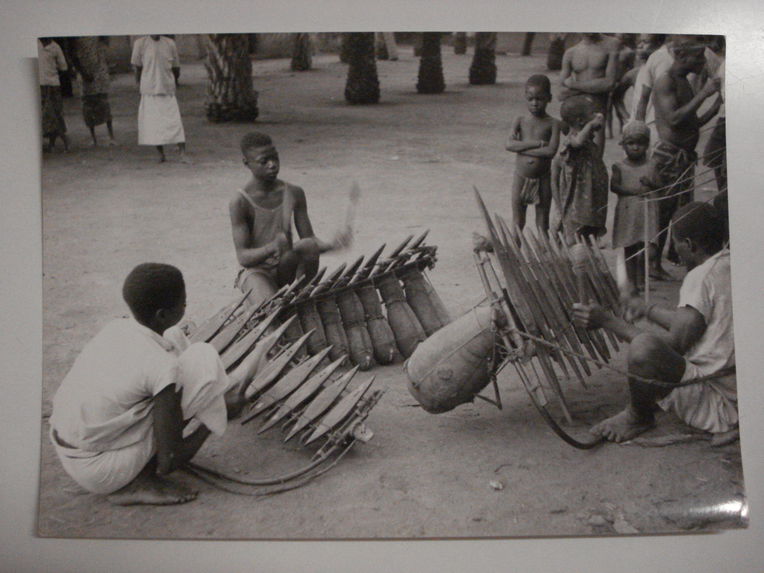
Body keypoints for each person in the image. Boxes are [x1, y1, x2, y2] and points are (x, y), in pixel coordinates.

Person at [49, 263, 253, 505]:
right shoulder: (162, 368)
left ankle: (136, 465)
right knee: (200, 362)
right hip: (99, 470)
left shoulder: (117, 327)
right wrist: (215, 416)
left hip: (67, 445)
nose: (186, 307)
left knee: (176, 338)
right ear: (162, 315)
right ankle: (137, 482)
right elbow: (170, 460)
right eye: (183, 303)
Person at [573, 202, 736, 446]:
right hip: (740, 391)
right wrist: (645, 308)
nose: (675, 251)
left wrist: (607, 321)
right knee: (649, 345)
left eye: (676, 243)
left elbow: (673, 344)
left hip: (720, 400)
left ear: (689, 245)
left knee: (643, 350)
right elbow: (694, 322)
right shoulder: (729, 264)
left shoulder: (700, 278)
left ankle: (638, 415)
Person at [230, 132, 352, 307]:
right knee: (271, 313)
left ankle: (300, 298)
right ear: (246, 163)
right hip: (256, 271)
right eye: (264, 161)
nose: (272, 165)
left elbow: (309, 239)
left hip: (284, 266)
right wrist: (271, 247)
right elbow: (243, 257)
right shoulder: (240, 201)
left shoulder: (294, 192)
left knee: (308, 246)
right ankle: (270, 300)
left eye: (275, 158)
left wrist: (333, 244)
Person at [651, 35, 722, 274]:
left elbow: (692, 122)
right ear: (681, 56)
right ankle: (652, 263)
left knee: (680, 210)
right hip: (669, 157)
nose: (703, 61)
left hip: (683, 157)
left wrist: (715, 105)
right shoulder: (665, 81)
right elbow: (673, 119)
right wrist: (704, 94)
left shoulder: (684, 81)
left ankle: (669, 258)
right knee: (663, 211)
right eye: (698, 56)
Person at [505, 74, 561, 232]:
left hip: (543, 177)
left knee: (542, 221)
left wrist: (522, 147)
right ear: (525, 98)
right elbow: (509, 144)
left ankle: (543, 254)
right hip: (520, 176)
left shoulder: (553, 123)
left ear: (549, 98)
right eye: (530, 99)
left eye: (540, 99)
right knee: (517, 220)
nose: (534, 103)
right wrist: (537, 143)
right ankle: (514, 253)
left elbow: (551, 151)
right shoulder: (520, 120)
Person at [551, 95, 609, 245]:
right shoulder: (572, 140)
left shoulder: (588, 142)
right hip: (577, 205)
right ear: (581, 121)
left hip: (590, 204)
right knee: (574, 238)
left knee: (588, 238)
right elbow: (577, 143)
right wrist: (590, 125)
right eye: (593, 114)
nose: (597, 116)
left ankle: (585, 261)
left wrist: (592, 125)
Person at [610, 121, 660, 290]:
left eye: (640, 143)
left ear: (647, 145)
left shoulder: (652, 165)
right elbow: (614, 186)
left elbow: (660, 185)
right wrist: (633, 191)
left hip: (646, 210)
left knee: (645, 248)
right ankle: (631, 281)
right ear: (624, 145)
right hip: (628, 211)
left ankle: (642, 280)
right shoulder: (619, 166)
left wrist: (650, 183)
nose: (635, 147)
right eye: (631, 143)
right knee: (630, 247)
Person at [130, 35, 188, 163]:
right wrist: (140, 84)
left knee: (174, 122)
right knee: (154, 124)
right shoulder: (140, 43)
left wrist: (171, 81)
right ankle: (160, 154)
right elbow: (137, 68)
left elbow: (176, 67)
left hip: (167, 89)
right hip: (149, 89)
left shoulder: (170, 43)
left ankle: (182, 154)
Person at [559, 33, 618, 157]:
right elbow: (561, 93)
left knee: (595, 158)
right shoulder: (571, 53)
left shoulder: (611, 45)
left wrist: (574, 85)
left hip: (596, 111)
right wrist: (595, 86)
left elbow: (609, 83)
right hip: (575, 114)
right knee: (572, 158)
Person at [72, 36, 116, 147]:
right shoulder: (75, 37)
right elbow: (73, 56)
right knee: (88, 106)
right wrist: (82, 72)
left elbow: (105, 42)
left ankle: (111, 137)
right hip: (85, 72)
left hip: (99, 71)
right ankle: (94, 138)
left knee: (104, 103)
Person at [38, 37, 70, 152]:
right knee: (45, 115)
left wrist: (54, 78)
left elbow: (64, 67)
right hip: (40, 85)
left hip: (53, 85)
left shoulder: (55, 47)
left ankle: (65, 141)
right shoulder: (36, 44)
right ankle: (51, 144)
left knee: (56, 114)